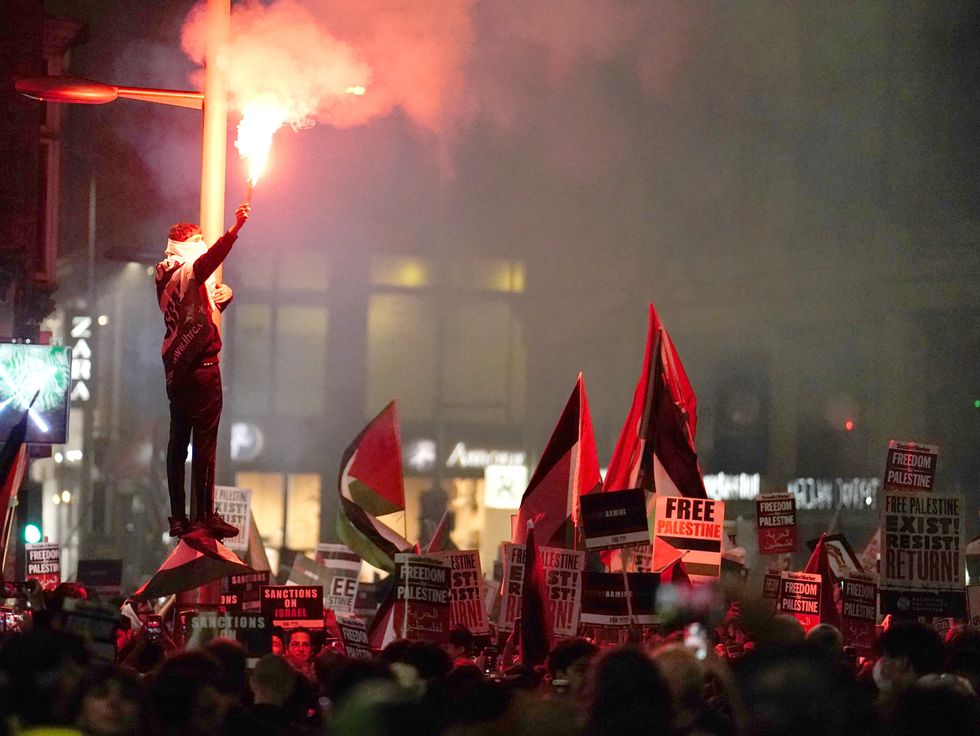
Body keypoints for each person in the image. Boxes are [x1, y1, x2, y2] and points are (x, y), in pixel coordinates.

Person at [156, 203, 250, 538]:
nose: (203, 245)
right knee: (204, 446)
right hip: (203, 369)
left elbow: (195, 308)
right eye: (198, 240)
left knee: (177, 444)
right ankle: (204, 515)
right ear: (186, 246)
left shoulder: (166, 272)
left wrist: (225, 296)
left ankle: (178, 517)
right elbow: (207, 263)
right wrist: (234, 228)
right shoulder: (188, 269)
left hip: (177, 371)